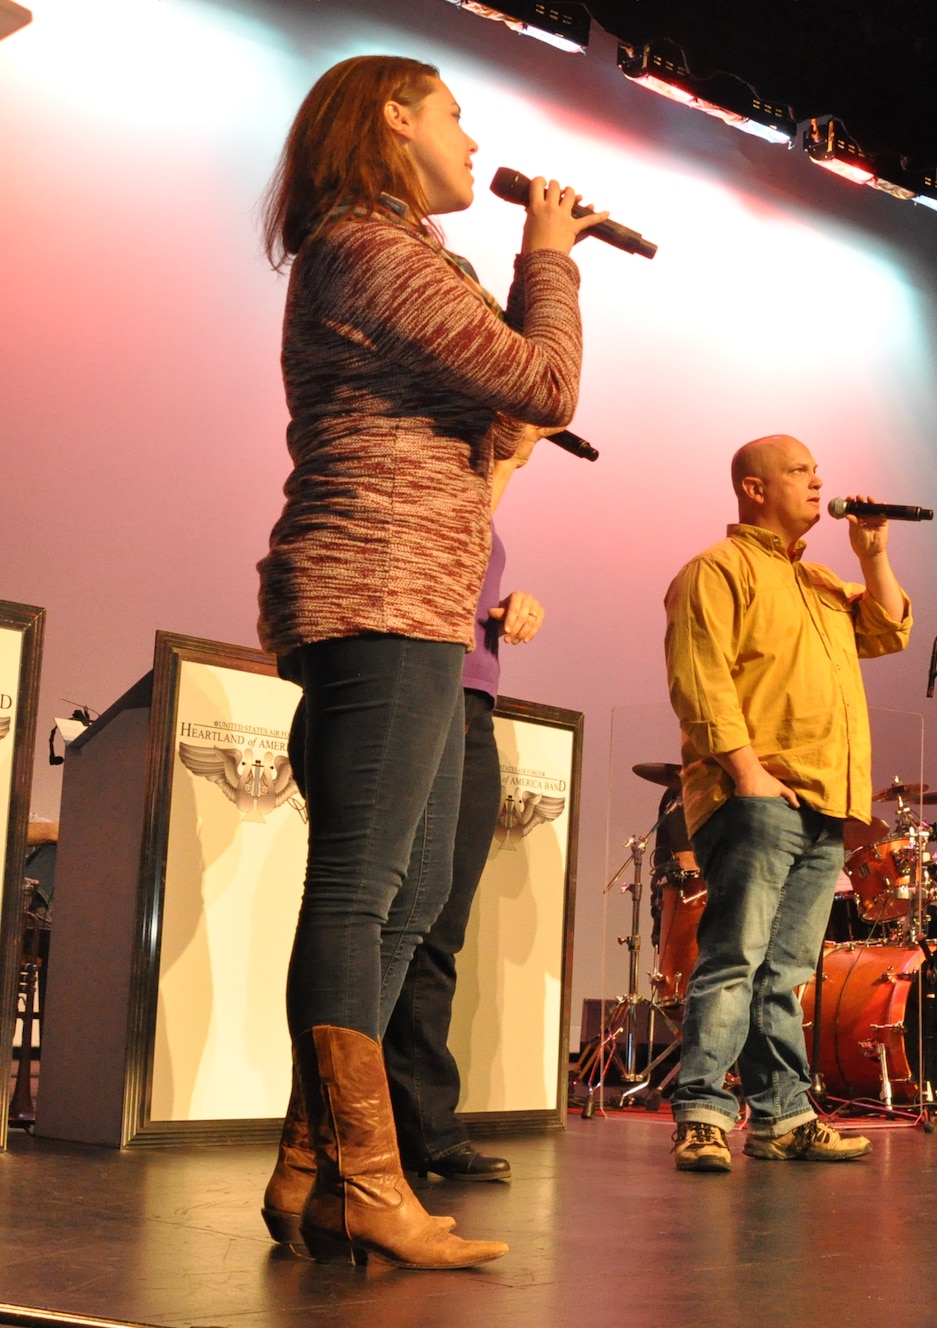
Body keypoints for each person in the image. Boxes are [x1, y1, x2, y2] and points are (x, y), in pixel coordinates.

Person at [255, 54, 601, 1269]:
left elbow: (503, 411)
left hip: (419, 599)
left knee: (405, 896)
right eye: (454, 113)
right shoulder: (367, 244)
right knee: (360, 889)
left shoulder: (389, 253)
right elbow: (545, 381)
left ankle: (314, 1166)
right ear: (394, 118)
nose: (472, 138)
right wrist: (547, 254)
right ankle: (362, 1176)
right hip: (381, 588)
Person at [663, 435, 912, 1173]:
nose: (818, 482)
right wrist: (745, 772)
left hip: (826, 804)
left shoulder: (823, 584)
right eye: (800, 471)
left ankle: (782, 1116)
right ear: (753, 487)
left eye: (816, 471)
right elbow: (699, 677)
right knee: (734, 958)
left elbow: (889, 628)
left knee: (787, 973)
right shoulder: (716, 571)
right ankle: (704, 1113)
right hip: (760, 795)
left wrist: (871, 554)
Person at [382, 440, 549, 1185]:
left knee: (441, 923)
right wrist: (510, 460)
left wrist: (516, 606)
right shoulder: (433, 479)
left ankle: (422, 1125)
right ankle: (375, 1124)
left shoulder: (482, 504)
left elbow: (470, 564)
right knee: (400, 913)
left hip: (473, 698)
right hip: (425, 689)